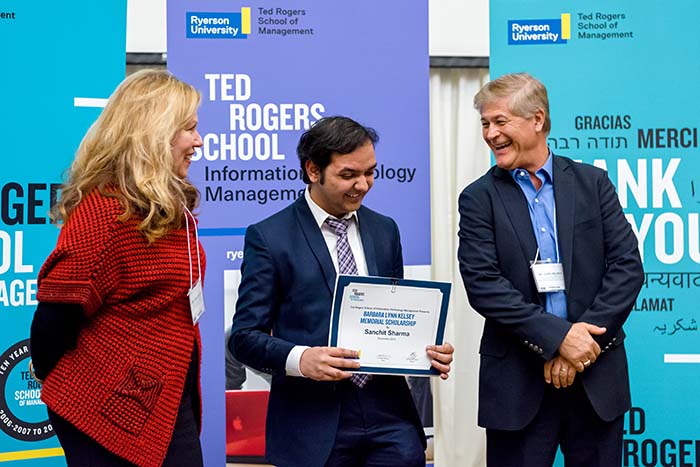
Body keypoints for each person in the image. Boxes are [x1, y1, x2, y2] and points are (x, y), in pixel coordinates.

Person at [229, 116, 454, 467]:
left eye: (370, 173)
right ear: (313, 170)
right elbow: (244, 337)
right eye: (348, 175)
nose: (362, 185)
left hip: (390, 416)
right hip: (312, 420)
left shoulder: (385, 230)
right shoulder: (270, 237)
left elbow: (396, 316)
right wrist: (302, 359)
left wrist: (424, 349)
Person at [458, 73, 644, 467]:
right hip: (517, 386)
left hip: (595, 378)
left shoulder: (593, 183)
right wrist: (559, 338)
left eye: (500, 121)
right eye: (485, 124)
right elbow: (484, 285)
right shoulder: (478, 198)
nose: (490, 134)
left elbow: (627, 267)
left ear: (538, 119)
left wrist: (580, 346)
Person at [29, 69, 205, 467]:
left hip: (164, 400)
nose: (198, 141)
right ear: (154, 134)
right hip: (103, 412)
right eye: (189, 129)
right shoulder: (106, 215)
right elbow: (54, 319)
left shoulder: (165, 208)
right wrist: (72, 383)